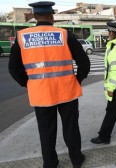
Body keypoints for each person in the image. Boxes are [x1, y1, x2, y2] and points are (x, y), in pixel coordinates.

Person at [8, 1, 90, 168]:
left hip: (41, 93)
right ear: (52, 16)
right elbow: (84, 62)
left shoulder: (22, 36)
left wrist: (29, 84)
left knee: (46, 131)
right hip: (67, 90)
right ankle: (76, 160)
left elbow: (13, 68)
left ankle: (50, 163)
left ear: (34, 16)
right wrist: (76, 80)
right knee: (71, 128)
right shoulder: (64, 34)